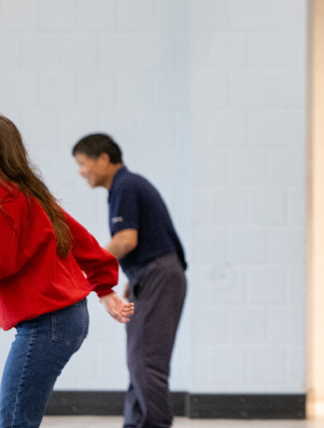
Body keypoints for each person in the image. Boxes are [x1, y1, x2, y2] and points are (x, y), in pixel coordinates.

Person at [0, 116, 134, 427]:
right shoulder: (31, 193)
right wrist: (104, 289)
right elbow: (84, 243)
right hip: (62, 318)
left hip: (47, 323)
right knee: (16, 415)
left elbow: (4, 263)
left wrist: (104, 287)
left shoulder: (6, 199)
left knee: (15, 418)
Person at [72, 134, 186, 428]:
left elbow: (125, 239)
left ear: (104, 159)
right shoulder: (125, 186)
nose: (81, 171)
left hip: (157, 275)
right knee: (139, 361)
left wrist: (86, 266)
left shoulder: (125, 185)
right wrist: (131, 277)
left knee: (146, 362)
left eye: (83, 164)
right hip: (149, 275)